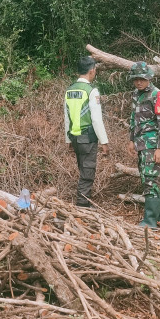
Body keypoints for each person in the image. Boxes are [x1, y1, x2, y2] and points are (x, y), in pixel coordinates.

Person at [126, 61, 160, 228]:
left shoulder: (158, 95)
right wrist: (131, 140)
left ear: (149, 78)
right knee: (147, 179)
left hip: (152, 145)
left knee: (150, 180)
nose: (139, 82)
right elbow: (133, 119)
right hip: (140, 144)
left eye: (142, 79)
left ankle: (150, 220)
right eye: (136, 79)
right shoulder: (136, 94)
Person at [64, 56, 109, 207]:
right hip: (87, 139)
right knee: (87, 173)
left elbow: (67, 117)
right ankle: (82, 206)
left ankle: (83, 202)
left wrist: (68, 140)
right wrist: (104, 141)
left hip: (75, 138)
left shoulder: (70, 90)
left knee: (83, 170)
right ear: (92, 71)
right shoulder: (91, 91)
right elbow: (96, 119)